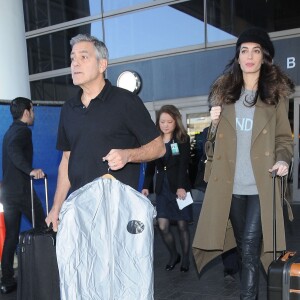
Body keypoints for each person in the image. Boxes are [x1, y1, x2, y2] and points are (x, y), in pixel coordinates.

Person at [192, 28, 294, 299]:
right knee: (242, 247)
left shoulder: (274, 96)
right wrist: (212, 126)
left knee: (249, 248)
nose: (249, 56)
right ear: (237, 57)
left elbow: (284, 138)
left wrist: (283, 160)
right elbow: (210, 148)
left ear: (264, 57)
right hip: (230, 186)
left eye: (256, 51)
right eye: (244, 50)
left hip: (262, 184)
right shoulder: (225, 94)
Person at [45, 33, 165, 231]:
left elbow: (158, 148)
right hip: (80, 213)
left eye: (83, 57)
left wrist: (128, 155)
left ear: (102, 65)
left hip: (118, 213)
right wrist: (56, 208)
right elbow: (66, 160)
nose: (75, 63)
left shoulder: (126, 101)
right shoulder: (68, 108)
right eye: (72, 58)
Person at [1, 97, 46, 294]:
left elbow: (11, 150)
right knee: (43, 229)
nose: (33, 114)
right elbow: (13, 151)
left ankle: (6, 280)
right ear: (26, 112)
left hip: (8, 192)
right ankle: (46, 274)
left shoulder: (10, 131)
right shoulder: (23, 131)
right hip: (21, 191)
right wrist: (30, 170)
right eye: (32, 110)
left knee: (11, 236)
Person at [142, 105, 192, 272]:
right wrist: (145, 186)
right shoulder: (154, 141)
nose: (165, 125)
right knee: (162, 225)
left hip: (181, 188)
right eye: (162, 121)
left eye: (169, 121)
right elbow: (150, 165)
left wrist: (181, 187)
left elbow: (183, 165)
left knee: (182, 226)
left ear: (175, 122)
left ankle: (185, 259)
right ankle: (174, 254)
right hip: (162, 188)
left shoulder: (182, 139)